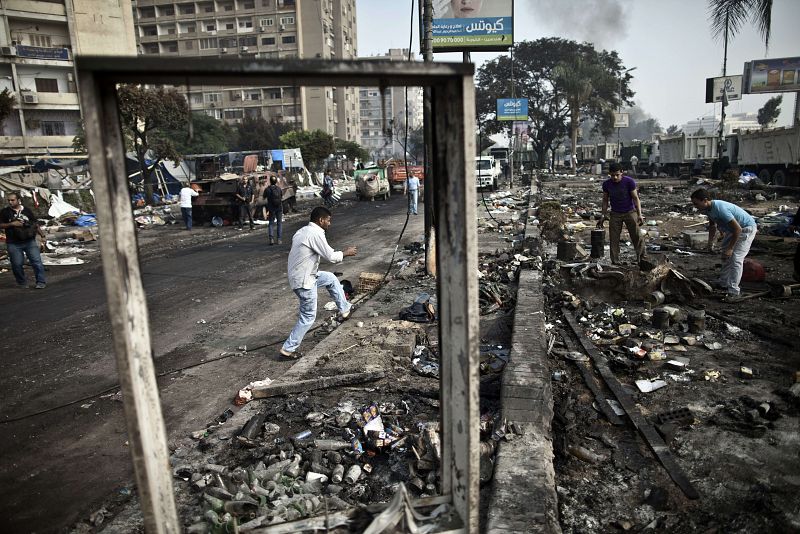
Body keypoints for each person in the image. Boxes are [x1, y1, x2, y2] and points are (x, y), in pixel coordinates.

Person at [280, 207, 357, 358]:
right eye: (328, 220)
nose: (329, 223)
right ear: (321, 220)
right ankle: (288, 349)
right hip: (304, 280)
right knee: (308, 316)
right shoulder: (314, 233)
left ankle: (345, 309)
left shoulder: (303, 231)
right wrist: (346, 253)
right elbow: (331, 257)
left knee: (330, 278)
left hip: (305, 275)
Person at [690, 189, 758, 302]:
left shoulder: (720, 209)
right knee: (724, 256)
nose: (695, 206)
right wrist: (710, 243)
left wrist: (730, 248)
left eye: (696, 203)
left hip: (746, 229)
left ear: (705, 200)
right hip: (732, 230)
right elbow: (712, 226)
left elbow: (738, 229)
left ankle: (734, 292)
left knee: (736, 259)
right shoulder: (707, 209)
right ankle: (724, 282)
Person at [596, 162, 645, 265]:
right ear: (609, 173)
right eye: (612, 175)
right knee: (614, 238)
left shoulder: (629, 182)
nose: (615, 177)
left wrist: (639, 214)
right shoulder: (606, 184)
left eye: (617, 175)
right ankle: (615, 261)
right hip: (615, 214)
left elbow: (636, 198)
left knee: (637, 236)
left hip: (630, 212)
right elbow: (605, 200)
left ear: (622, 172)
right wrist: (603, 215)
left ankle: (642, 259)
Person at [0, 192, 46, 289]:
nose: (10, 202)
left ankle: (41, 282)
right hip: (13, 243)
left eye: (12, 200)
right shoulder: (5, 212)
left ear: (18, 200)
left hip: (29, 241)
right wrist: (12, 224)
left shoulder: (27, 211)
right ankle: (22, 282)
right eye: (9, 200)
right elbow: (1, 224)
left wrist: (42, 235)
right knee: (17, 264)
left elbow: (35, 224)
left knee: (36, 262)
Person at [264, 175, 284, 245]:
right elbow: (281, 197)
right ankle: (279, 239)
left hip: (271, 208)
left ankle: (271, 239)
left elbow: (264, 197)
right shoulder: (279, 189)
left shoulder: (267, 189)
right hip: (279, 207)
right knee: (279, 223)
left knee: (271, 223)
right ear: (276, 182)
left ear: (270, 181)